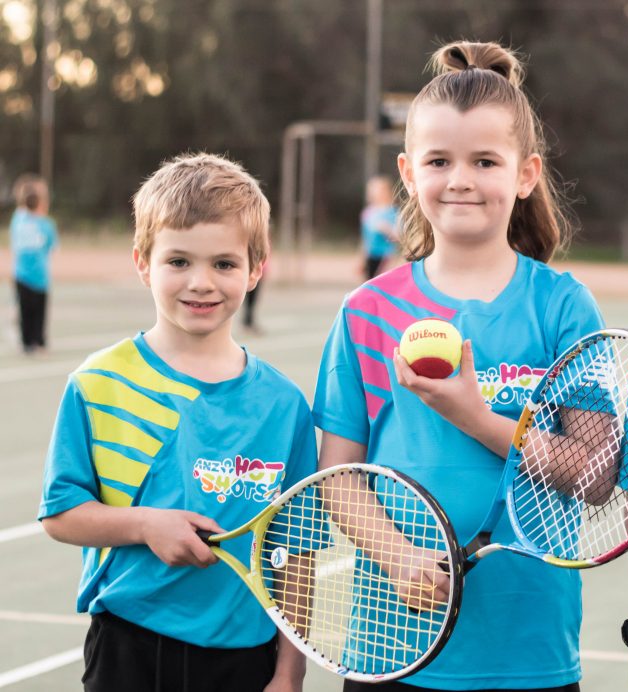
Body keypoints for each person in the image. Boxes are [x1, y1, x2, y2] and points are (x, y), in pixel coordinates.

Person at [314, 41, 604, 692]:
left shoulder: (561, 306)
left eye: (485, 161)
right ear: (408, 172)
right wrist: (398, 558)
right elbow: (338, 475)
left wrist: (477, 418)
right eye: (439, 160)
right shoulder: (366, 310)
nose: (461, 179)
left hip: (528, 651)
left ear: (526, 174)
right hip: (393, 648)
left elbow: (595, 475)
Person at [37, 153, 315, 692]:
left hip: (246, 655)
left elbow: (298, 551)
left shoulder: (284, 406)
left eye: (224, 264)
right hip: (129, 645)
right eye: (179, 261)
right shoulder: (99, 383)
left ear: (257, 269)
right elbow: (62, 513)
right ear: (143, 263)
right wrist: (145, 524)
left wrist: (289, 670)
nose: (201, 283)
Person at [9, 173, 58, 354]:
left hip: (30, 276)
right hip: (31, 275)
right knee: (32, 312)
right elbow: (51, 247)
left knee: (32, 311)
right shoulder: (36, 222)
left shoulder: (22, 220)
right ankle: (33, 341)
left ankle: (32, 341)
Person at [361, 174, 400, 281]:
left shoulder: (395, 212)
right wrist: (361, 260)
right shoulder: (368, 213)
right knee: (369, 285)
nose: (377, 193)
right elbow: (365, 240)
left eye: (381, 190)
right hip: (371, 256)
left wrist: (387, 229)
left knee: (382, 284)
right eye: (374, 190)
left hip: (387, 256)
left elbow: (400, 237)